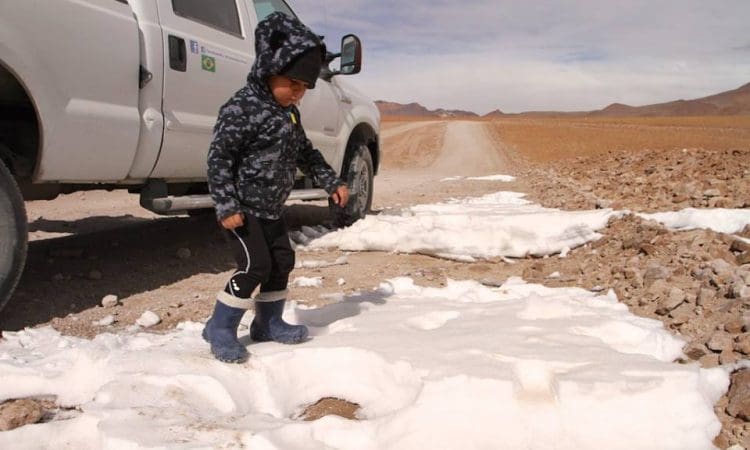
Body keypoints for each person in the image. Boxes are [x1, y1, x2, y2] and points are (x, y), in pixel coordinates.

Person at [202, 12, 349, 363]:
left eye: (305, 88)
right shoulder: (241, 108)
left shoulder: (288, 113)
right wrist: (227, 205)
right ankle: (219, 327)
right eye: (292, 84)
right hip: (243, 209)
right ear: (269, 71)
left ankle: (267, 323)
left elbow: (305, 152)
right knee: (254, 266)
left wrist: (331, 181)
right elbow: (219, 158)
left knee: (282, 261)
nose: (298, 93)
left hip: (271, 209)